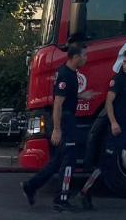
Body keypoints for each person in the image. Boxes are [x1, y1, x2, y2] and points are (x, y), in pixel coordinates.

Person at [79, 48, 126, 211]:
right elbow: (109, 102)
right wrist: (113, 123)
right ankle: (85, 192)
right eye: (124, 62)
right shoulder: (118, 80)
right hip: (118, 129)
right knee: (106, 164)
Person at [22, 43, 88, 212]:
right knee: (69, 161)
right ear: (75, 57)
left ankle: (31, 186)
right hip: (65, 121)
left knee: (57, 161)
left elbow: (67, 96)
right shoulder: (65, 76)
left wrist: (81, 96)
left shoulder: (70, 73)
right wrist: (57, 129)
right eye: (84, 56)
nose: (86, 59)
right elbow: (58, 104)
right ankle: (61, 199)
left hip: (66, 119)